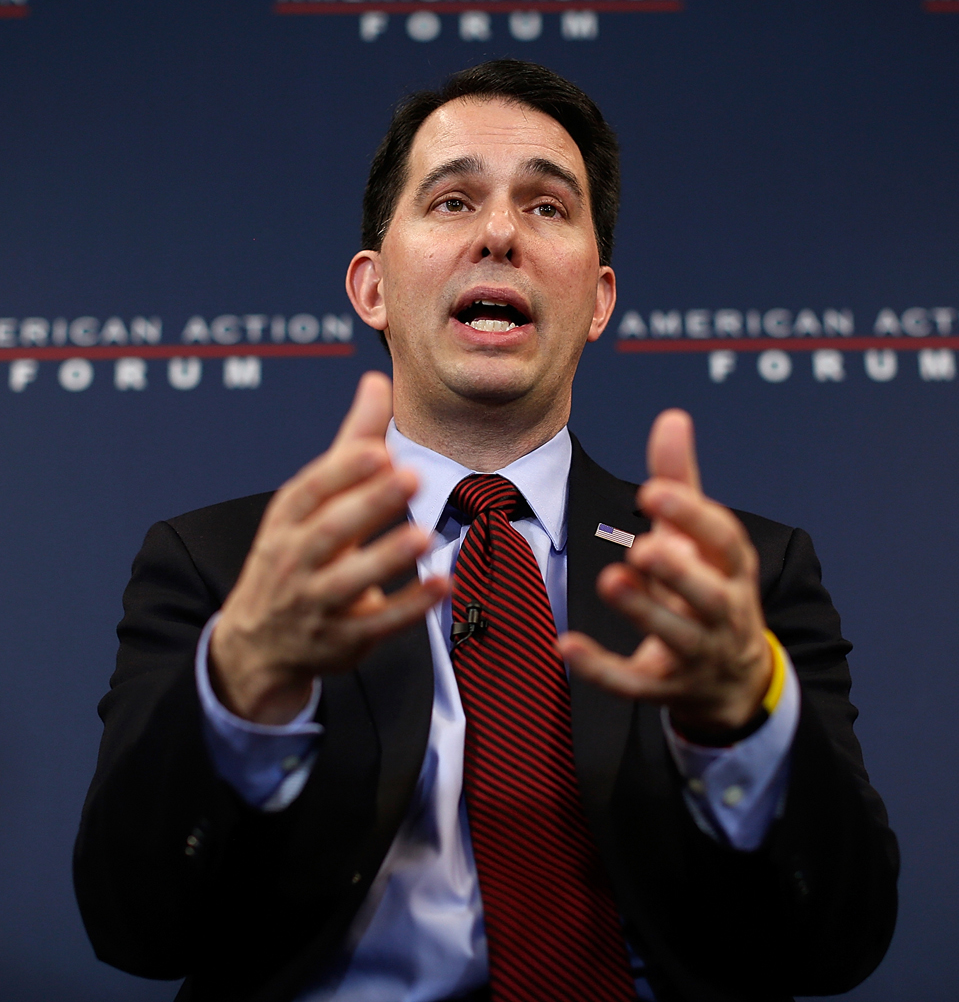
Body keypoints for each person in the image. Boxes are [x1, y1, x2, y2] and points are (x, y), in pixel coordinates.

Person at [74, 59, 897, 1002]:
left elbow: (845, 941)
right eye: (454, 201)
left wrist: (745, 721)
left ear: (598, 298)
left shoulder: (729, 576)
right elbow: (132, 926)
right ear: (372, 288)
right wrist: (243, 688)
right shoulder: (224, 570)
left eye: (548, 207)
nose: (500, 232)